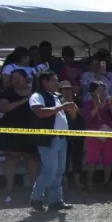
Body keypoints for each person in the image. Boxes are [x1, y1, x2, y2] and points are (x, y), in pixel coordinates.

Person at [29, 71, 77, 212]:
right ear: (44, 82)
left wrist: (72, 109)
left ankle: (56, 200)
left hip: (62, 138)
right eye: (54, 81)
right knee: (50, 171)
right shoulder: (37, 96)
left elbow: (68, 115)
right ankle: (36, 198)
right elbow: (40, 112)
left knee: (59, 170)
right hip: (48, 139)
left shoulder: (58, 96)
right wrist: (62, 107)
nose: (57, 83)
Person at [0, 69, 40, 198]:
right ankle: (9, 187)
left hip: (32, 129)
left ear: (25, 78)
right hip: (12, 129)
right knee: (12, 158)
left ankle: (35, 188)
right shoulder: (7, 92)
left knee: (32, 158)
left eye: (17, 78)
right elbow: (4, 107)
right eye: (13, 78)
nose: (15, 81)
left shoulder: (35, 92)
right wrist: (25, 100)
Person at [83, 80, 112, 190]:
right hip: (93, 136)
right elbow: (88, 117)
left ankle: (106, 183)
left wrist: (111, 104)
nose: (102, 92)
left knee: (108, 159)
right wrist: (97, 106)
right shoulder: (88, 104)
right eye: (99, 89)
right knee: (91, 160)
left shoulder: (108, 102)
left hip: (108, 135)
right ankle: (90, 184)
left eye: (103, 89)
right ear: (93, 92)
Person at [59, 80, 85, 191]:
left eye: (69, 89)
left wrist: (75, 108)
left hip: (78, 133)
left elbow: (84, 114)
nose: (67, 91)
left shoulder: (79, 101)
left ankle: (77, 181)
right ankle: (65, 183)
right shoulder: (58, 102)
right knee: (64, 159)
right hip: (64, 134)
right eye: (64, 89)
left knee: (77, 158)